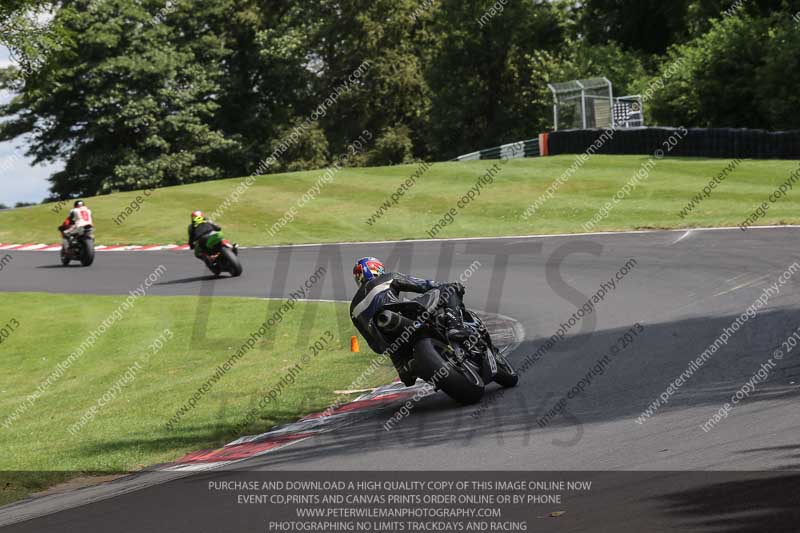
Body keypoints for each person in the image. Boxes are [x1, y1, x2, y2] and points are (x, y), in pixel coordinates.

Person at [350, 257, 469, 386]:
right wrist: (444, 285)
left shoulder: (353, 309)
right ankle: (455, 326)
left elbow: (374, 346)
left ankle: (409, 366)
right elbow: (424, 285)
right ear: (376, 268)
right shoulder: (388, 277)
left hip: (391, 345)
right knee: (449, 288)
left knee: (407, 376)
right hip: (403, 314)